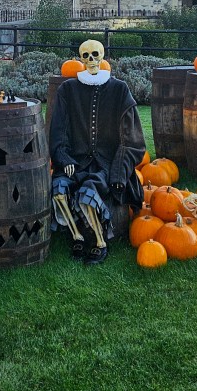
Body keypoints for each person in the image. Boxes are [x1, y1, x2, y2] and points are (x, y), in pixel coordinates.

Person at [49, 39, 145, 264]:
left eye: (95, 55)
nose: (91, 60)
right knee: (60, 188)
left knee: (89, 191)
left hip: (106, 163)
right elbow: (58, 130)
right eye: (86, 56)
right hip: (77, 160)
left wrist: (119, 171)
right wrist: (63, 157)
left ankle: (100, 242)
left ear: (102, 58)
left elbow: (131, 139)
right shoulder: (67, 90)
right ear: (80, 59)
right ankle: (77, 236)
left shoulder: (119, 89)